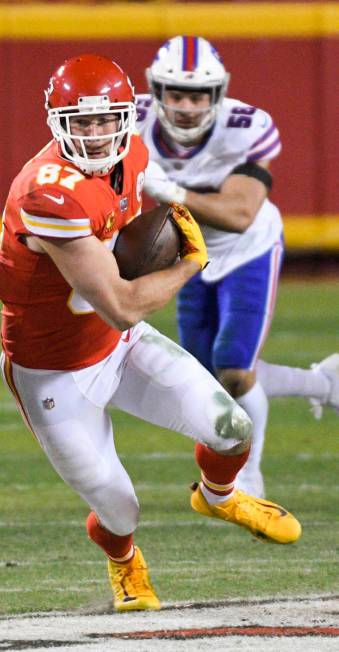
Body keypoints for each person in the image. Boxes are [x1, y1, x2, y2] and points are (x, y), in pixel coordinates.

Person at [0, 53, 301, 613]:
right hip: (54, 369)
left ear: (123, 116)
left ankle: (219, 496)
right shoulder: (48, 193)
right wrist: (187, 263)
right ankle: (124, 560)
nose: (95, 132)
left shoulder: (133, 148)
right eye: (80, 122)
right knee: (118, 506)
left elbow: (149, 187)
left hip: (116, 348)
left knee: (232, 427)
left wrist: (174, 208)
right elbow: (124, 307)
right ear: (56, 121)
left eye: (105, 119)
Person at [137, 35, 339, 498]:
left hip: (248, 246)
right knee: (211, 376)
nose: (186, 106)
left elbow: (240, 214)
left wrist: (172, 193)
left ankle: (248, 475)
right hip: (191, 247)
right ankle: (325, 384)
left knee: (231, 366)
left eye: (197, 95)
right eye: (175, 94)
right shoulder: (132, 121)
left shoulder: (246, 127)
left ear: (217, 94)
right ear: (156, 92)